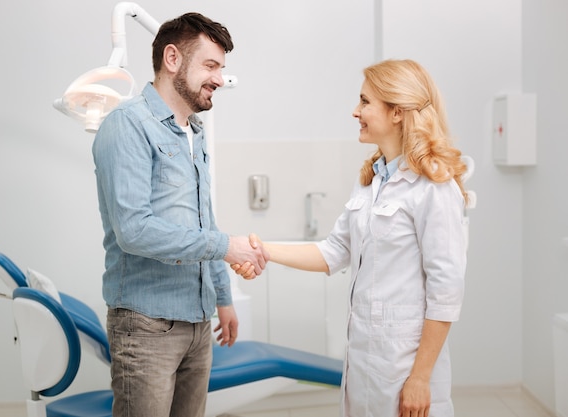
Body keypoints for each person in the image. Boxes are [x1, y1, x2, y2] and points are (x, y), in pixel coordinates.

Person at [234, 59, 468, 417]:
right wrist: (263, 250)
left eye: (365, 102)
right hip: (364, 362)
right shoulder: (374, 181)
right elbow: (333, 252)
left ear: (396, 112)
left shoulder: (434, 188)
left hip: (405, 366)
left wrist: (421, 378)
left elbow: (446, 293)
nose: (355, 111)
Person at [92, 12, 269, 417]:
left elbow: (204, 219)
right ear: (172, 59)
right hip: (146, 326)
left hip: (198, 322)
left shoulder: (195, 132)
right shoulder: (128, 126)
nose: (219, 79)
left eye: (221, 69)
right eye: (211, 66)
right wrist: (227, 248)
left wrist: (222, 297)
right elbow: (135, 231)